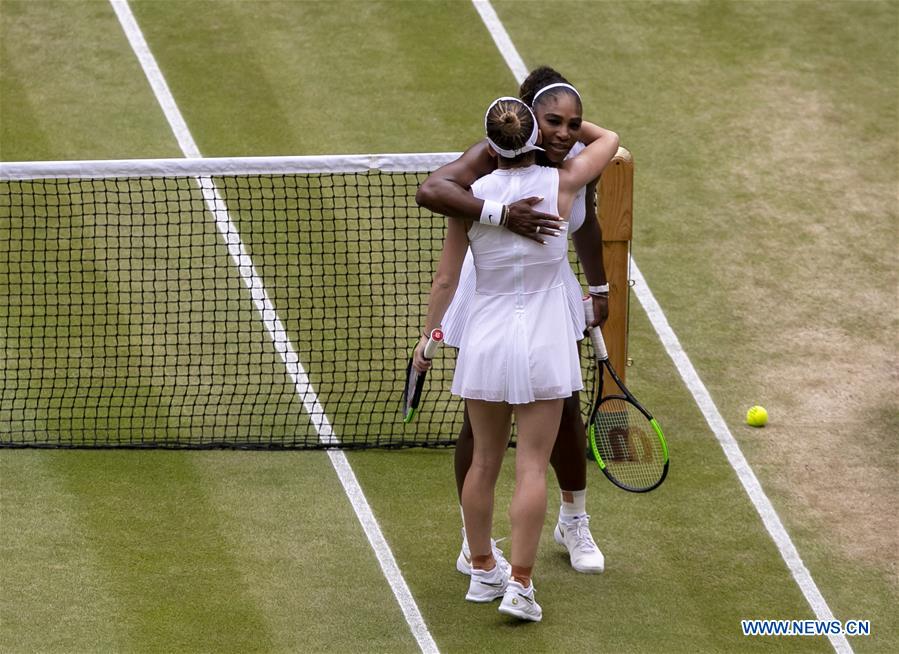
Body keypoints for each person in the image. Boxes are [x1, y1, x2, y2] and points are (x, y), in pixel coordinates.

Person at [413, 97, 618, 621]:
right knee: (531, 465)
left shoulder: (471, 196)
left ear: (490, 145)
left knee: (484, 461)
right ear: (533, 138)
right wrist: (569, 125)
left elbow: (446, 280)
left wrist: (430, 340)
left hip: (485, 333)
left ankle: (483, 569)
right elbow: (608, 141)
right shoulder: (564, 184)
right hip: (546, 335)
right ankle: (520, 587)